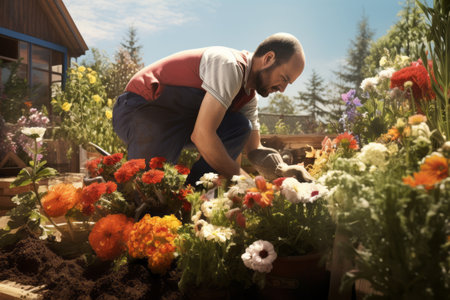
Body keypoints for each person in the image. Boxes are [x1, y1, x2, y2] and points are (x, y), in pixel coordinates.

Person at [112, 32, 305, 186]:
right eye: (284, 78)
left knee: (240, 126)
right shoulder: (229, 65)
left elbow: (254, 148)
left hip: (178, 124)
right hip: (141, 109)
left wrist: (283, 170)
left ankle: (194, 192)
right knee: (149, 193)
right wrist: (245, 181)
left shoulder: (247, 96)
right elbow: (202, 136)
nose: (282, 89)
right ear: (268, 58)